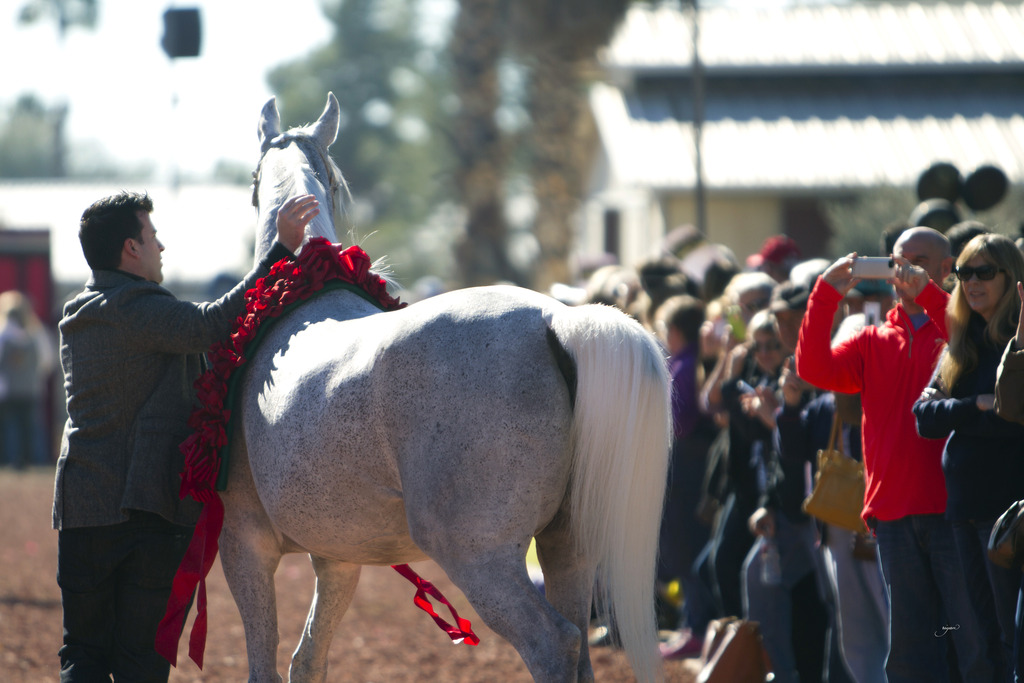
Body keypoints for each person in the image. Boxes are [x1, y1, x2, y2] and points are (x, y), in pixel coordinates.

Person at [53, 190, 316, 682]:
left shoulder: (79, 310)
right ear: (131, 248)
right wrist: (281, 251)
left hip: (80, 507)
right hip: (143, 508)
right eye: (152, 236)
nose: (161, 246)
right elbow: (212, 324)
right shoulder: (135, 306)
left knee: (82, 655)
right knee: (140, 662)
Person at [796, 226, 995, 682]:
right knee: (909, 651)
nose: (905, 271)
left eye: (918, 262)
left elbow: (973, 339)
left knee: (973, 643)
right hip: (894, 516)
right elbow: (813, 368)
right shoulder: (872, 340)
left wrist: (928, 295)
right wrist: (825, 293)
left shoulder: (960, 333)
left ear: (946, 269)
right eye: (897, 261)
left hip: (954, 512)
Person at [914, 233, 1024, 682]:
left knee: (1011, 636)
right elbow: (924, 418)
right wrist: (975, 405)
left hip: (1008, 512)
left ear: (1010, 278)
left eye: (984, 272)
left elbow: (1011, 420)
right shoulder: (961, 343)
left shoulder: (1017, 343)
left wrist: (964, 413)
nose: (972, 282)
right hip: (963, 511)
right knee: (981, 637)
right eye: (964, 273)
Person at [0, 291, 47, 469]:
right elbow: (47, 361)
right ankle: (27, 461)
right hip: (31, 388)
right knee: (28, 428)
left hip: (7, 390)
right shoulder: (37, 334)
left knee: (9, 428)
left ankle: (10, 460)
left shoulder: (3, 334)